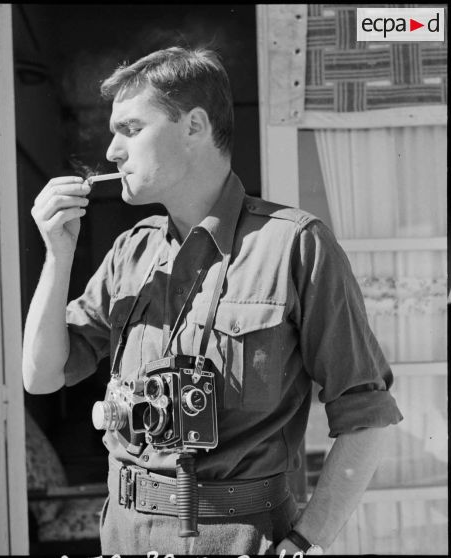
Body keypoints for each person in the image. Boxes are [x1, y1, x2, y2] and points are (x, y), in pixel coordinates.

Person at [22, 47, 403, 555]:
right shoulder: (129, 252)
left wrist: (306, 543)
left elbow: (367, 416)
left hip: (243, 536)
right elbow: (41, 376)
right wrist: (58, 253)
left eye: (130, 129)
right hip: (125, 532)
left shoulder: (292, 244)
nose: (112, 151)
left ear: (194, 126)